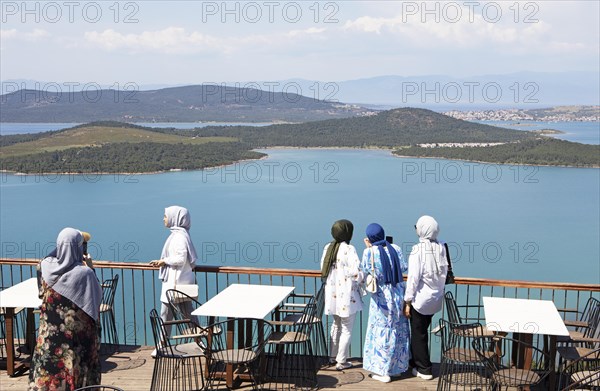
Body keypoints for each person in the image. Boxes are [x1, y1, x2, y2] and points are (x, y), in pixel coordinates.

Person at [29, 228, 102, 391]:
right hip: (77, 339)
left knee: (50, 373)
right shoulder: (85, 274)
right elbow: (96, 299)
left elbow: (41, 293)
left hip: (50, 337)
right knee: (78, 373)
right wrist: (91, 268)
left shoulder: (44, 266)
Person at [361, 223, 410, 383]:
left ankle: (383, 372)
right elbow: (403, 267)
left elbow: (365, 270)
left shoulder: (369, 253)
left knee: (382, 332)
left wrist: (369, 247)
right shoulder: (395, 248)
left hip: (382, 298)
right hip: (398, 293)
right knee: (398, 329)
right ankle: (395, 368)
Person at [404, 215, 448, 381]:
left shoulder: (418, 250)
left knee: (418, 333)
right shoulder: (442, 247)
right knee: (422, 331)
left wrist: (407, 301)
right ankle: (415, 362)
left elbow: (413, 279)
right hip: (436, 299)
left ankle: (424, 368)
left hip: (421, 300)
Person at [320, 219, 363, 371]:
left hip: (333, 295)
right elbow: (356, 272)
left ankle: (332, 356)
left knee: (336, 324)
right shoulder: (349, 249)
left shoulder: (328, 248)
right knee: (346, 328)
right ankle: (342, 361)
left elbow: (322, 267)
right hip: (346, 296)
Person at [149, 206, 198, 335]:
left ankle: (163, 345)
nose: (163, 219)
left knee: (168, 315)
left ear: (175, 218)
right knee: (187, 316)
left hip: (175, 283)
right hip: (181, 282)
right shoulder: (180, 235)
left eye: (165, 216)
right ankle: (200, 342)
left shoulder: (179, 237)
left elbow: (181, 259)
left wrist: (164, 261)